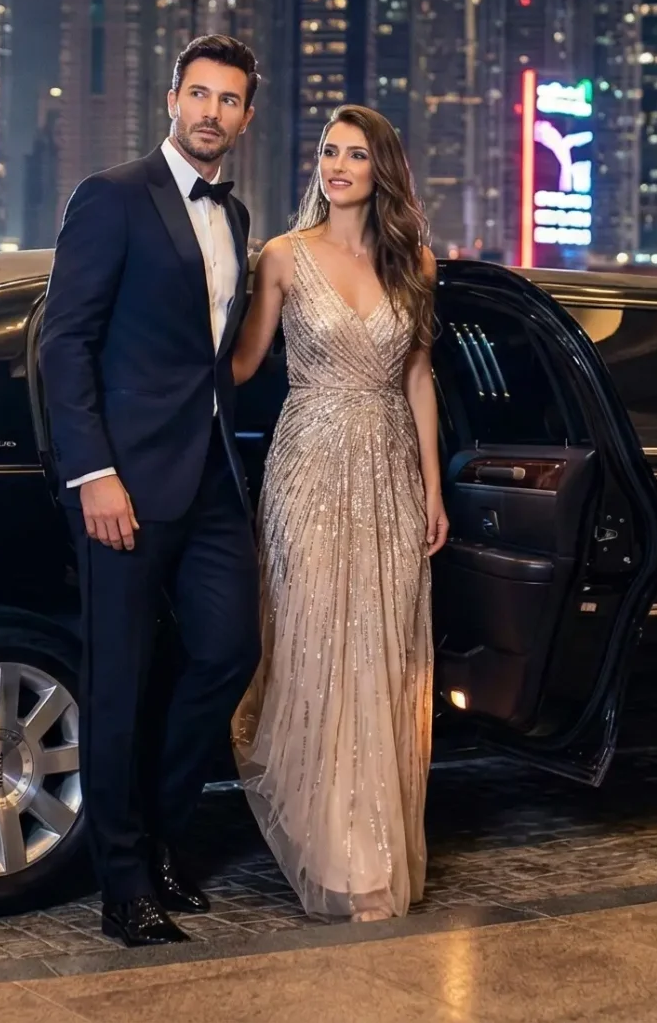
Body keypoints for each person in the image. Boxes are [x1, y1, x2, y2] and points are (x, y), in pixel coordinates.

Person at [38, 34, 265, 947]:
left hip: (211, 477)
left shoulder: (235, 216)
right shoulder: (113, 196)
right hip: (121, 483)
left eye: (229, 99)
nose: (212, 112)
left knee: (229, 651)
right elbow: (65, 342)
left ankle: (165, 831)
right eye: (199, 94)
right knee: (120, 682)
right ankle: (124, 884)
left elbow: (218, 357)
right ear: (172, 99)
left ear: (246, 116)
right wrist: (94, 473)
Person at [229, 104, 446, 922]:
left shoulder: (415, 263)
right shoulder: (283, 256)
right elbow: (243, 364)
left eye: (355, 154)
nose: (338, 165)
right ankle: (330, 853)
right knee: (314, 643)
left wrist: (432, 487)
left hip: (389, 472)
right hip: (307, 467)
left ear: (380, 168)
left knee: (378, 652)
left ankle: (371, 849)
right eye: (329, 150)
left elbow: (418, 378)